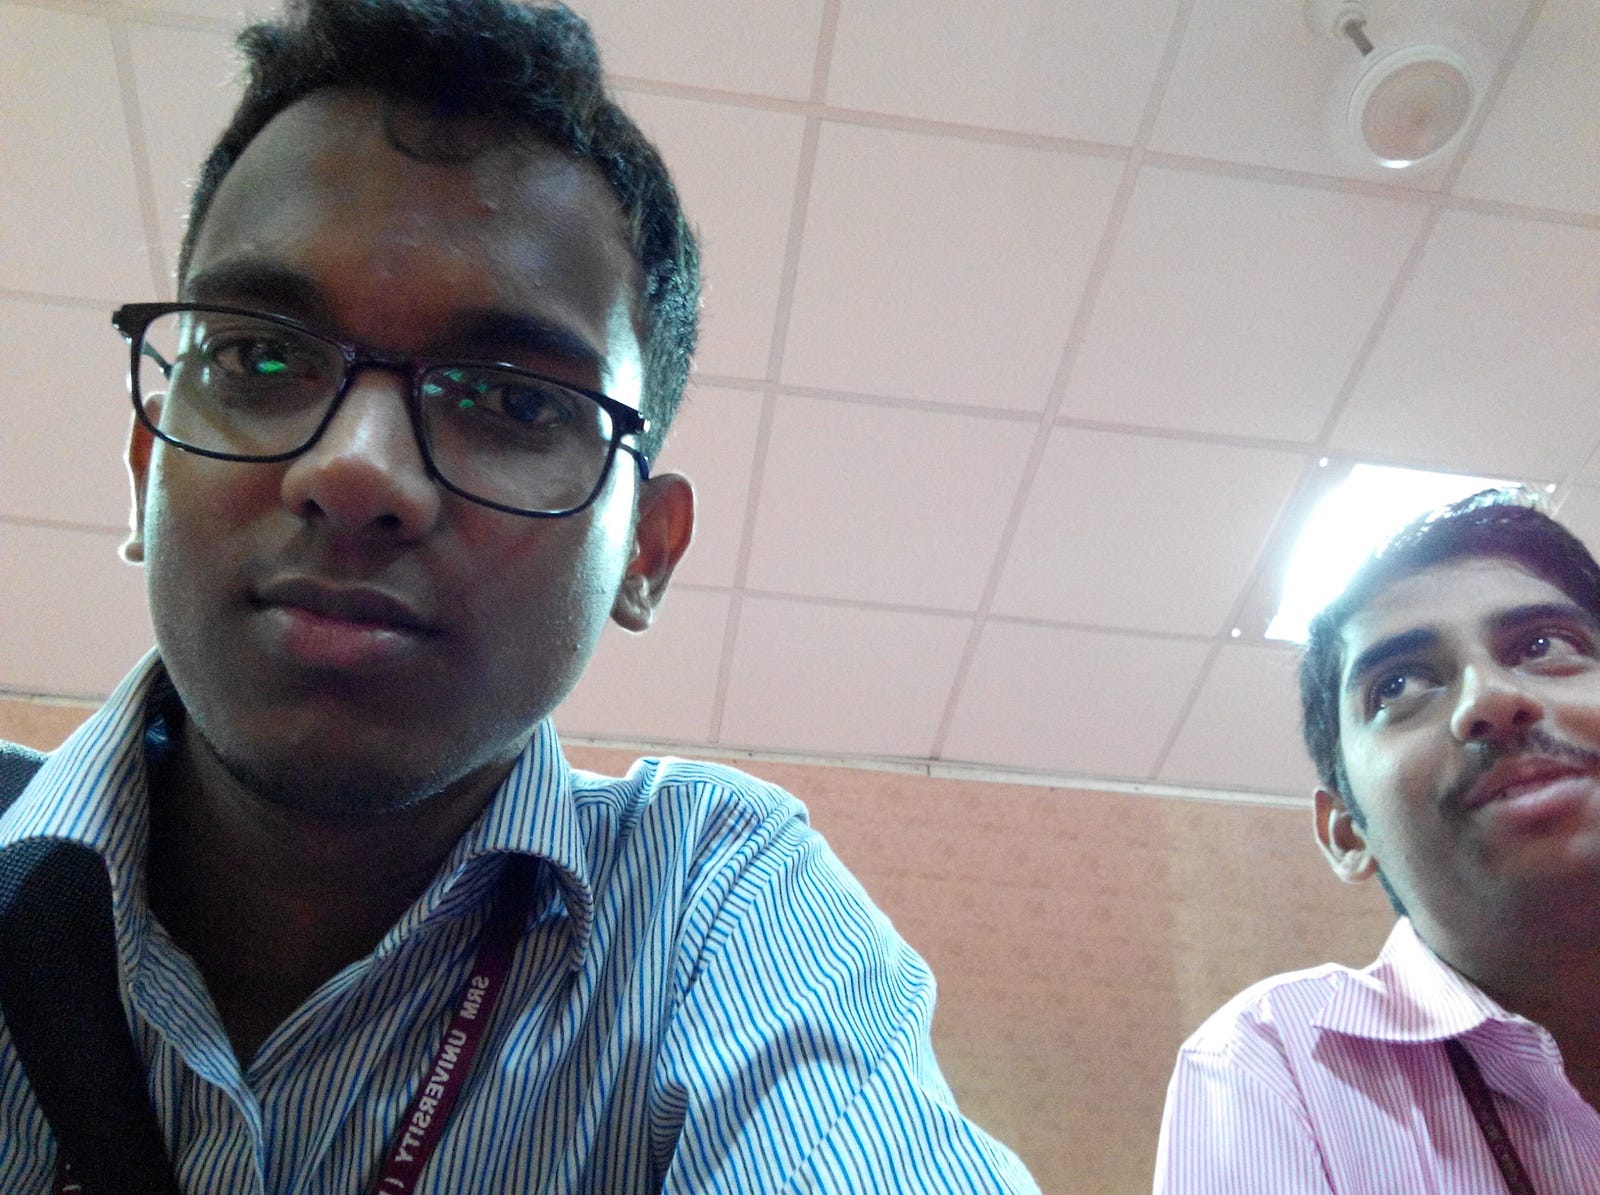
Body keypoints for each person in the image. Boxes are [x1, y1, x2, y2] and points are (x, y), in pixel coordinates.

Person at [0, 2, 1037, 1190]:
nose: (355, 470)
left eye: (516, 401)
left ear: (645, 550)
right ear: (146, 470)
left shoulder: (712, 906)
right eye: (260, 357)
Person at [1154, 489, 1600, 1192]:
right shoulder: (1276, 1059)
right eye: (1398, 685)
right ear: (1346, 830)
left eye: (1544, 646)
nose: (1488, 698)